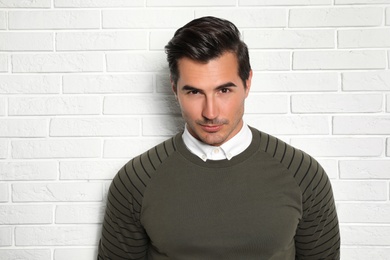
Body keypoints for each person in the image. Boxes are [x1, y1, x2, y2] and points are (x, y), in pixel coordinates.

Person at [97, 16, 340, 260]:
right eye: (194, 92)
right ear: (174, 88)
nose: (210, 113)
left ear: (247, 83)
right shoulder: (136, 180)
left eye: (224, 90)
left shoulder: (302, 174)